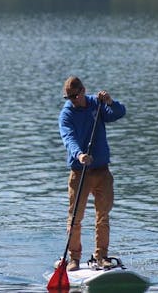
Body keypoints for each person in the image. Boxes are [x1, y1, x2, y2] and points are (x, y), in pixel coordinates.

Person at [58, 75, 126, 271]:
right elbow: (68, 138)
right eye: (69, 98)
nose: (73, 100)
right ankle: (74, 259)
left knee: (103, 216)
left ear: (83, 90)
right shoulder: (67, 115)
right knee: (75, 218)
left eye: (76, 96)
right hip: (80, 173)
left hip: (102, 172)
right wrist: (79, 155)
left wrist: (110, 102)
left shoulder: (97, 103)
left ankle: (101, 256)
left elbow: (118, 113)